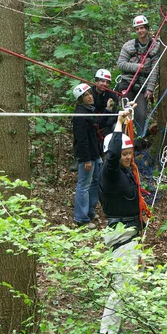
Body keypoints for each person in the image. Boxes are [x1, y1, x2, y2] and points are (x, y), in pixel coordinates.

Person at [97, 104, 142, 334]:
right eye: (124, 154)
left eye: (129, 153)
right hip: (122, 236)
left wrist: (126, 121)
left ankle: (114, 330)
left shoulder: (125, 172)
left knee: (125, 287)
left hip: (131, 234)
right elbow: (113, 154)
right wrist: (118, 122)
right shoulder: (109, 173)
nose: (127, 156)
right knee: (120, 288)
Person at [117, 15, 160, 147]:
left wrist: (150, 89)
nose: (140, 31)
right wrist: (137, 67)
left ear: (147, 29)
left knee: (141, 114)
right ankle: (124, 141)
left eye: (142, 28)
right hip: (128, 84)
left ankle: (139, 141)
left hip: (142, 86)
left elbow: (154, 70)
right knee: (126, 114)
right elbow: (121, 64)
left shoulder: (154, 47)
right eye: (137, 29)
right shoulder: (128, 46)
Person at [72, 83, 102, 227]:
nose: (90, 96)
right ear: (80, 99)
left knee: (95, 181)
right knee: (84, 185)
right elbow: (81, 139)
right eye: (86, 95)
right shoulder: (80, 115)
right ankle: (81, 218)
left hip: (94, 153)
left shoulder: (90, 111)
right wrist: (86, 159)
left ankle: (90, 211)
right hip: (87, 156)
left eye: (90, 93)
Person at [91, 68, 119, 141]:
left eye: (107, 82)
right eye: (102, 81)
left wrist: (108, 125)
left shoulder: (111, 95)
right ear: (96, 81)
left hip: (108, 124)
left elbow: (115, 112)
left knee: (117, 127)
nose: (105, 84)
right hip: (93, 124)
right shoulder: (90, 94)